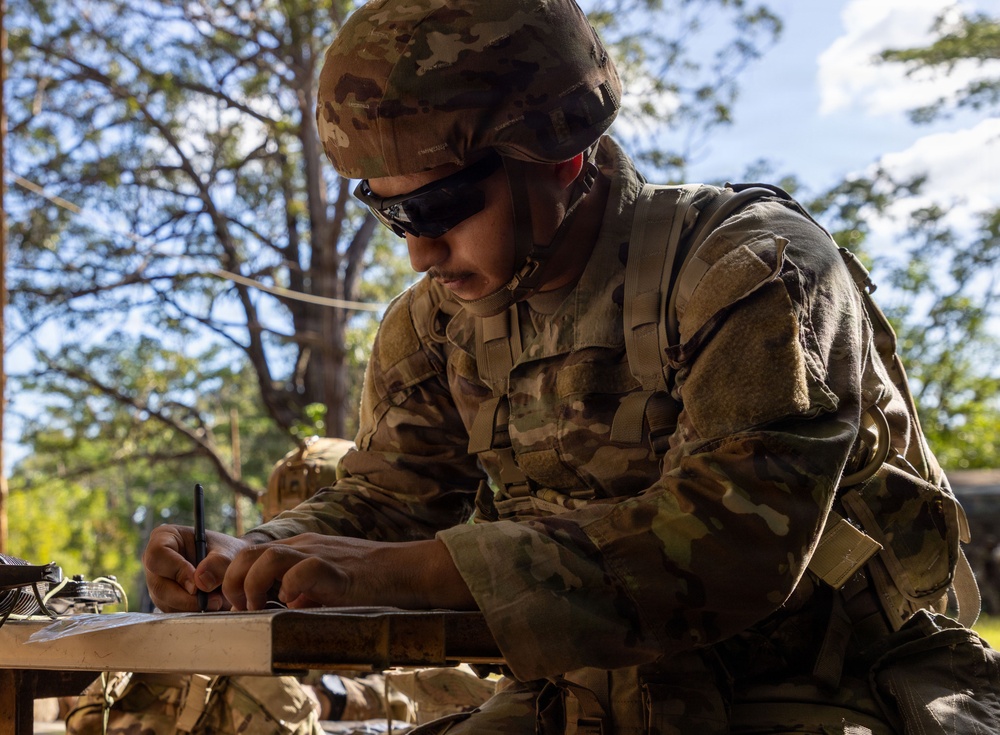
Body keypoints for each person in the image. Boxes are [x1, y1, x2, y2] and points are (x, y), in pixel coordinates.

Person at [143, 1, 991, 733]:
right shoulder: (436, 325)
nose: (419, 251)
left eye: (439, 205)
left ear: (560, 155)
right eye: (390, 210)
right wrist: (253, 555)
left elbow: (733, 545)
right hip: (588, 700)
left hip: (823, 690)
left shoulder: (748, 267)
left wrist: (416, 567)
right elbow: (388, 506)